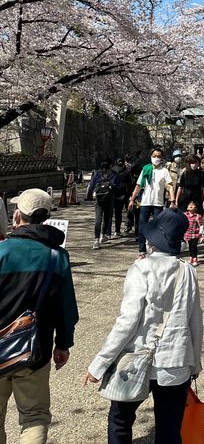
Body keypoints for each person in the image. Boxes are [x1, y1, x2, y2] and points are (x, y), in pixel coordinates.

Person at [85, 207, 202, 444]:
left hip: (137, 355)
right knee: (169, 429)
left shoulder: (141, 268)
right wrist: (195, 362)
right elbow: (195, 320)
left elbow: (127, 321)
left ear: (152, 240)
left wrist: (100, 363)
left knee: (120, 419)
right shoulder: (188, 271)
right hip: (176, 360)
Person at [0, 189, 79, 444]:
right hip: (35, 348)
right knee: (34, 417)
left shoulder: (1, 252)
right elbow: (66, 307)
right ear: (46, 217)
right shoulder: (57, 256)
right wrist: (63, 343)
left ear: (17, 215)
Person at [128, 147, 175, 259]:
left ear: (162, 158)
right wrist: (132, 199)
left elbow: (170, 186)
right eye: (154, 156)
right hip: (145, 203)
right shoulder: (145, 169)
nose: (156, 158)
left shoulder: (164, 171)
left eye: (158, 156)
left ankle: (155, 247)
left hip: (158, 203)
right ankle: (142, 251)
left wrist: (172, 201)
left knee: (158, 227)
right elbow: (139, 185)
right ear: (150, 156)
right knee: (142, 226)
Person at [89, 160, 117, 250]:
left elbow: (91, 186)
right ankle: (103, 235)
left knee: (98, 219)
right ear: (110, 167)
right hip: (109, 199)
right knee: (106, 218)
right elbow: (117, 185)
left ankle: (96, 240)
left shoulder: (97, 174)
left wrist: (92, 194)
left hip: (98, 200)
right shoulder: (113, 174)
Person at [112, 158, 132, 237]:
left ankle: (117, 230)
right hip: (125, 194)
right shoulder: (126, 172)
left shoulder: (113, 171)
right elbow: (129, 184)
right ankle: (128, 226)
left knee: (118, 212)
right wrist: (131, 195)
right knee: (128, 210)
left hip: (116, 194)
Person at [183, 201, 203, 266]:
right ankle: (191, 257)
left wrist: (201, 233)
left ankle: (195, 258)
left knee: (194, 246)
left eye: (193, 205)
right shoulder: (185, 215)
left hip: (195, 234)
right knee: (190, 246)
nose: (191, 205)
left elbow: (201, 225)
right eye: (189, 204)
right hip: (188, 234)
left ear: (196, 208)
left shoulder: (198, 216)